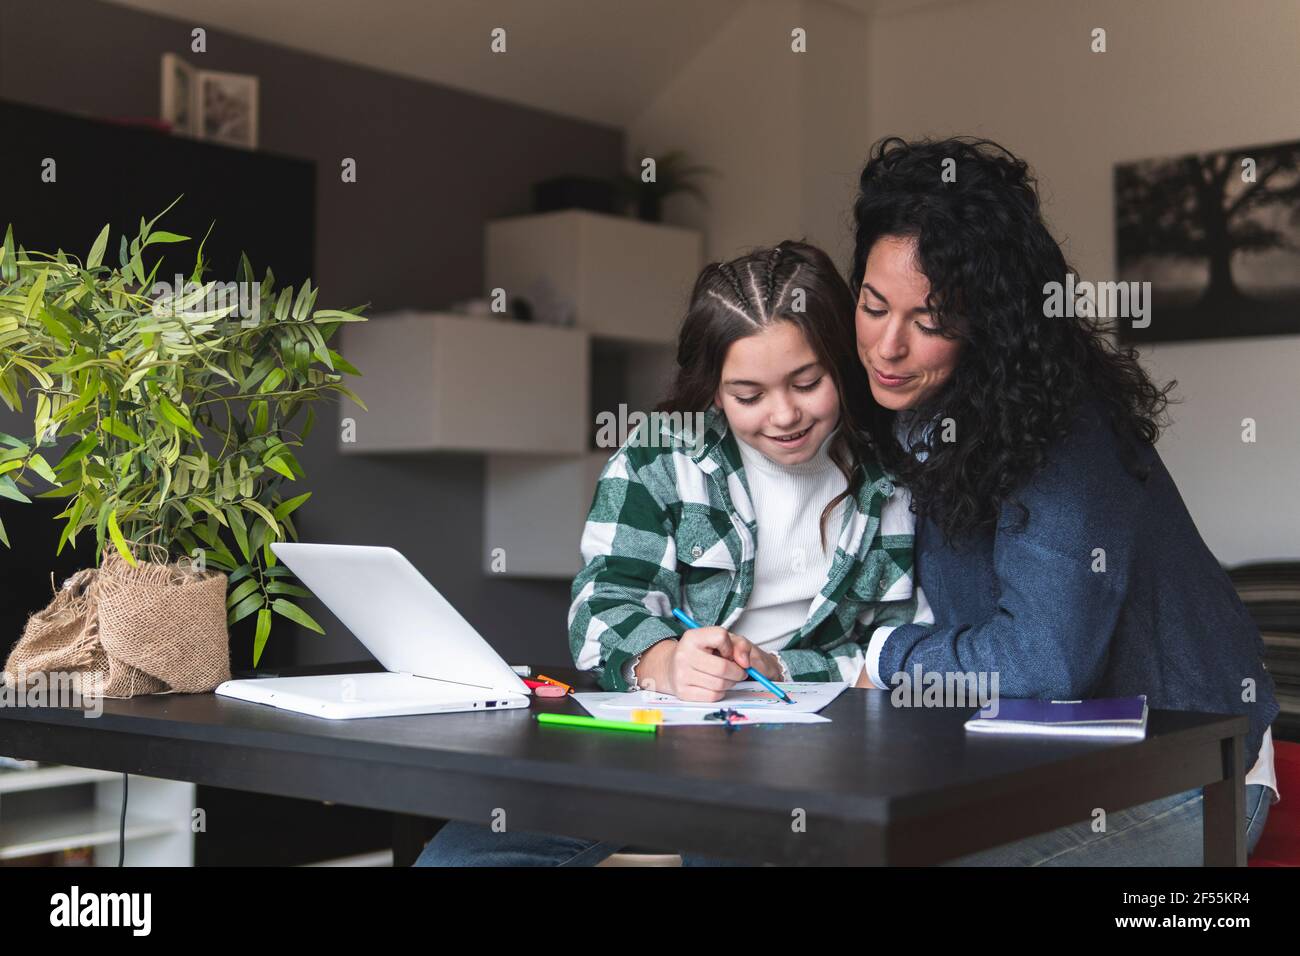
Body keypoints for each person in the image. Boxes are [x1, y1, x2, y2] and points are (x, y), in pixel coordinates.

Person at [414, 240, 930, 866]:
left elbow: (905, 649)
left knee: (742, 846)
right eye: (748, 395)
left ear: (842, 363)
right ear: (712, 391)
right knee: (460, 860)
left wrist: (780, 668)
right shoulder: (660, 456)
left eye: (807, 382)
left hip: (825, 754)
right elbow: (602, 606)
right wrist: (665, 661)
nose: (785, 415)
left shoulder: (898, 474)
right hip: (659, 743)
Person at [847, 136, 1278, 864]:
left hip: (1195, 781)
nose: (887, 347)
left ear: (990, 324)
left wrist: (888, 654)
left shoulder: (1062, 429)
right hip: (1046, 766)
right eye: (872, 304)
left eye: (928, 322)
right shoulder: (914, 419)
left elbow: (1042, 659)